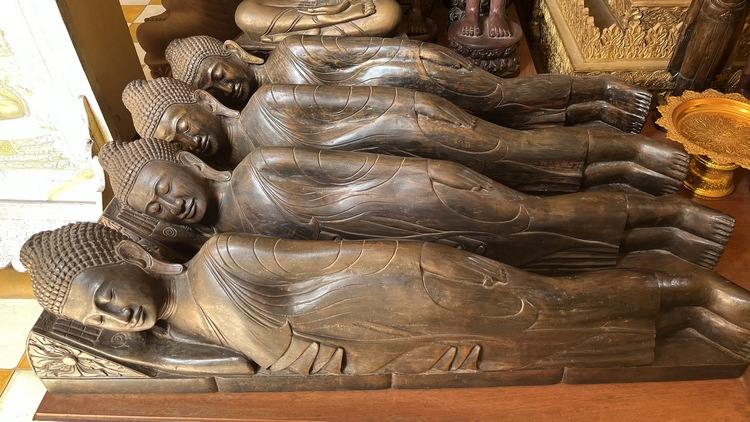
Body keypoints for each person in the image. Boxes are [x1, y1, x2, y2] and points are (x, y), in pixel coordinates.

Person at [20, 222, 750, 376]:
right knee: (566, 331)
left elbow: (352, 259)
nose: (116, 316)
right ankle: (685, 312)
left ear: (128, 259)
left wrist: (444, 277)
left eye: (104, 295)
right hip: (407, 345)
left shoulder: (222, 260)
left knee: (560, 304)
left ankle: (692, 288)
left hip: (421, 292)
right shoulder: (195, 340)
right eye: (96, 319)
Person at [97, 138, 733, 273]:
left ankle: (672, 218)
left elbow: (357, 165)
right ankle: (653, 247)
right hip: (406, 249)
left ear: (185, 165)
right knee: (531, 254)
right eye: (156, 207)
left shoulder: (258, 168)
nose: (170, 203)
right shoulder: (232, 245)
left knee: (538, 217)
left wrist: (437, 177)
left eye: (163, 185)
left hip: (424, 198)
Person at [122, 77, 688, 196]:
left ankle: (622, 127)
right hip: (400, 173)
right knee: (517, 171)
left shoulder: (265, 107)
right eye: (176, 143)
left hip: (409, 127)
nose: (190, 141)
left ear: (201, 106)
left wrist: (419, 114)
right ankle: (625, 171)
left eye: (183, 126)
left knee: (511, 141)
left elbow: (355, 100)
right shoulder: (241, 169)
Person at [164, 35, 653, 133]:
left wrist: (424, 56)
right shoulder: (268, 110)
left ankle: (604, 91)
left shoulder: (291, 54)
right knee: (504, 126)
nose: (224, 86)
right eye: (211, 89)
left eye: (218, 72)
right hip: (402, 111)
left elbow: (368, 51)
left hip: (415, 74)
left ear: (232, 53)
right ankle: (591, 116)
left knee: (505, 97)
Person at [234, 0, 402, 44]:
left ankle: (310, 32)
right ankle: (321, 25)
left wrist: (341, 5)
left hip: (350, 5)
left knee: (389, 12)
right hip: (295, 6)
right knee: (245, 13)